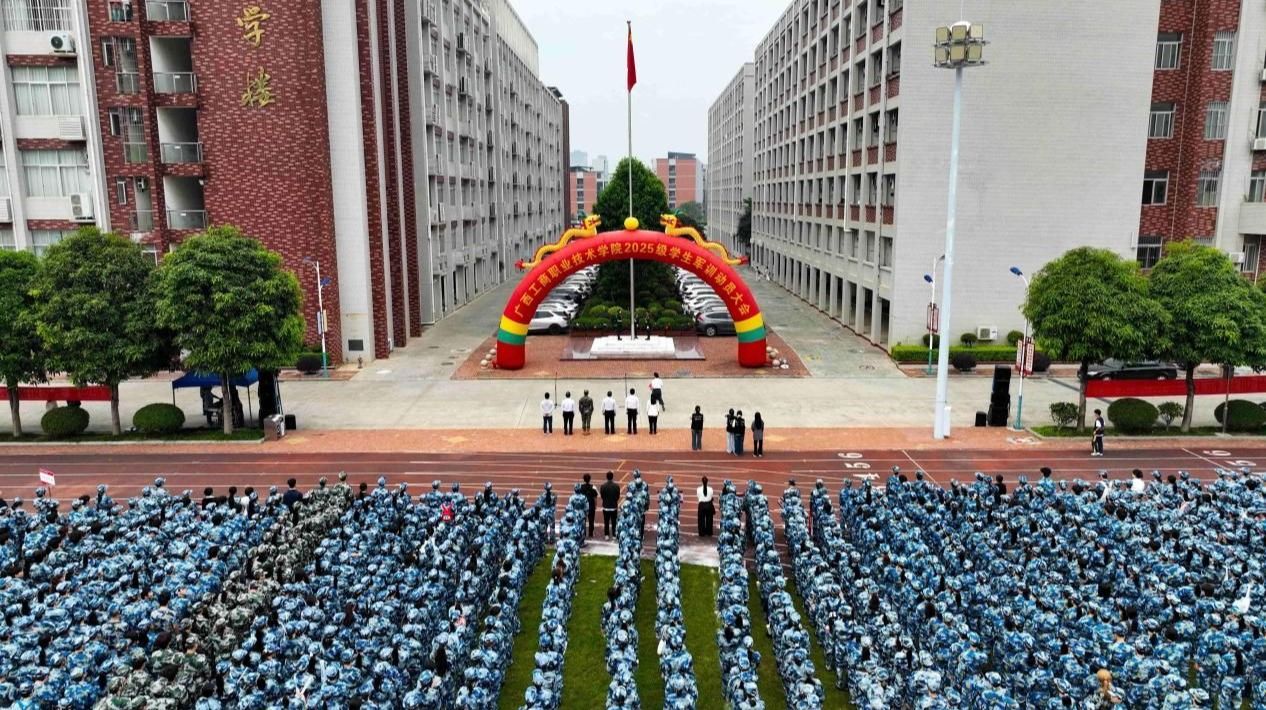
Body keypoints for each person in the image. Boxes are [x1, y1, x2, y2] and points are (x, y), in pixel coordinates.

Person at [600, 471, 620, 540]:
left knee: (606, 522)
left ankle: (606, 535)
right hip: (613, 506)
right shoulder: (616, 486)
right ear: (612, 477)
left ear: (606, 477)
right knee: (614, 521)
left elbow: (602, 496)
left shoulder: (603, 486)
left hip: (606, 507)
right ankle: (614, 534)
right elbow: (618, 496)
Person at [580, 473, 598, 538]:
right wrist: (595, 505)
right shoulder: (593, 487)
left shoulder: (581, 487)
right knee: (591, 521)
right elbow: (595, 498)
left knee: (583, 520)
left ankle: (584, 533)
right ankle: (590, 534)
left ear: (584, 479)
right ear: (590, 479)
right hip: (591, 506)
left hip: (583, 507)